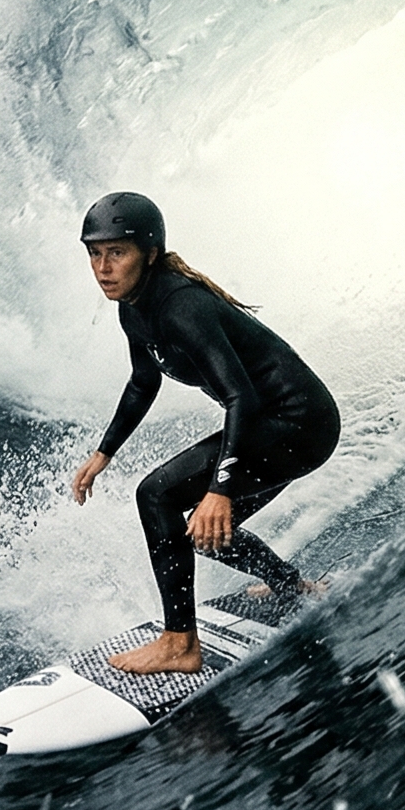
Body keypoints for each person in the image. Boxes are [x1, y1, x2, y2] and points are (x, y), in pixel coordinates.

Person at [68, 192, 340, 675]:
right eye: (94, 253)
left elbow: (242, 398)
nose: (103, 267)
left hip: (298, 423)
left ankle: (180, 644)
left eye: (117, 252)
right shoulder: (134, 306)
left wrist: (220, 488)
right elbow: (142, 381)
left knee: (156, 496)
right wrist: (103, 453)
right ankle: (290, 586)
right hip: (278, 427)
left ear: (149, 252)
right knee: (200, 531)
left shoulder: (181, 306)